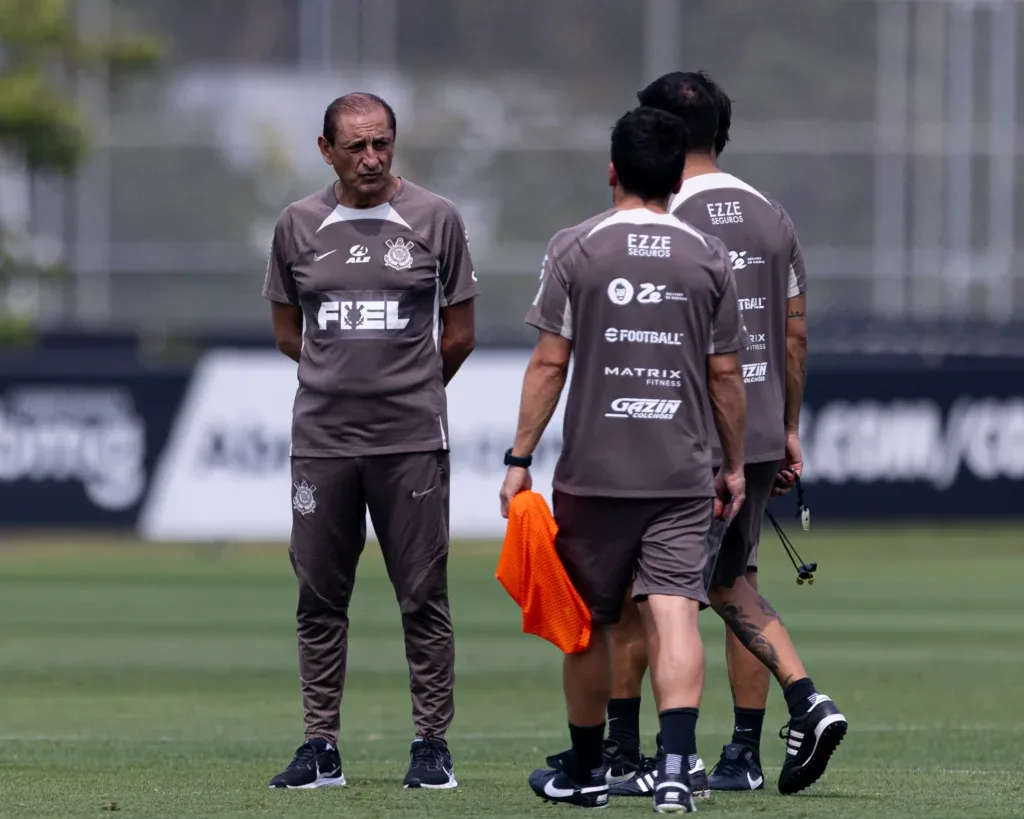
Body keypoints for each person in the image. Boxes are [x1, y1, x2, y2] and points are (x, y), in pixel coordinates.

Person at [603, 71, 847, 800]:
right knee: (733, 580)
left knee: (646, 594)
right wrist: (789, 426)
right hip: (763, 422)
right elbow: (794, 332)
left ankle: (635, 755)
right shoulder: (771, 214)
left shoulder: (659, 213)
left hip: (685, 431)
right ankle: (748, 747)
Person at [499, 105, 748, 813]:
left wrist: (519, 457)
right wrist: (731, 468)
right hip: (679, 473)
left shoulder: (575, 247)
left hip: (593, 475)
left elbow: (550, 363)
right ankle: (673, 767)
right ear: (676, 178)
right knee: (674, 613)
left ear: (612, 171)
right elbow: (726, 376)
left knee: (586, 625)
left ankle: (584, 770)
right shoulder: (708, 256)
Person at [262, 92, 479, 790]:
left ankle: (431, 744)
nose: (371, 158)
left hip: (411, 438)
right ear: (325, 149)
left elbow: (461, 332)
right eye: (355, 146)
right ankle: (320, 746)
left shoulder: (435, 219)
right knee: (319, 596)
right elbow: (289, 331)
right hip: (323, 441)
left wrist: (407, 389)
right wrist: (341, 382)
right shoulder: (296, 225)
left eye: (382, 143)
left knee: (423, 594)